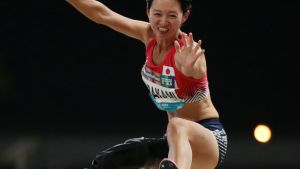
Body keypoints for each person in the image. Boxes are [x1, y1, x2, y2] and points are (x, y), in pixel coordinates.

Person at [66, 0, 228, 169]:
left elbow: (197, 87)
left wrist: (188, 72)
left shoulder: (189, 52)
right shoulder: (148, 34)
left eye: (172, 15)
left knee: (177, 125)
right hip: (173, 143)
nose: (163, 22)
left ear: (184, 16)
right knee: (109, 160)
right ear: (148, 12)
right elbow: (102, 14)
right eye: (157, 14)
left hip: (209, 138)